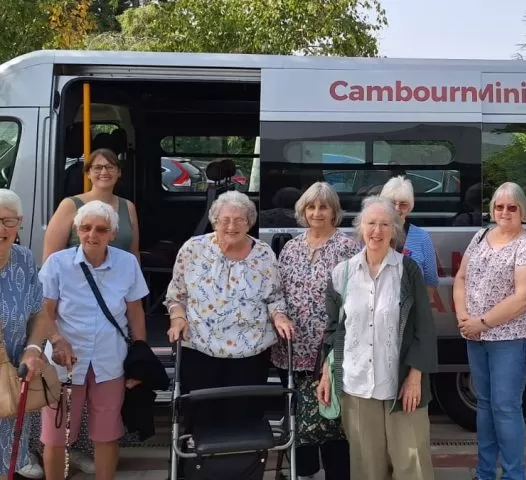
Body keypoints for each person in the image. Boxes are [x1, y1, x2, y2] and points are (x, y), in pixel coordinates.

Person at [29, 148, 141, 475]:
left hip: (109, 351)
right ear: (88, 171)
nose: (93, 234)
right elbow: (46, 293)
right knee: (56, 433)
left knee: (108, 431)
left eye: (111, 166)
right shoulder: (69, 213)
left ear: (119, 172)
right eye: (97, 166)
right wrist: (55, 338)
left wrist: (140, 351)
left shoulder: (128, 211)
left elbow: (133, 262)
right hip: (66, 353)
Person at [317, 196, 437, 480]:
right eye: (371, 223)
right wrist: (326, 372)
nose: (377, 231)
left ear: (394, 230)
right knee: (366, 466)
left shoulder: (408, 271)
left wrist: (415, 378)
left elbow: (424, 327)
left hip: (402, 383)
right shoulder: (342, 273)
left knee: (412, 463)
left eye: (385, 224)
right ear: (360, 228)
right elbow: (334, 329)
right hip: (356, 384)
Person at [164, 190, 294, 438]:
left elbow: (274, 298)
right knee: (201, 420)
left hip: (250, 353)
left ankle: (243, 470)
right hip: (200, 349)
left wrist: (280, 317)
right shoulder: (193, 249)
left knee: (244, 421)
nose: (231, 226)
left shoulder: (264, 254)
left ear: (250, 222)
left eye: (239, 220)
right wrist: (177, 318)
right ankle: (198, 471)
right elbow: (176, 296)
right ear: (215, 220)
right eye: (225, 220)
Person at [453, 181, 526, 480]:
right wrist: (465, 317)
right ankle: (484, 473)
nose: (504, 212)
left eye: (512, 207)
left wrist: (483, 322)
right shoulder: (480, 236)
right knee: (484, 405)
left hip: (510, 339)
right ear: (492, 209)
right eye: (499, 206)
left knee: (505, 407)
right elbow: (461, 278)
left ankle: (514, 475)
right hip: (476, 337)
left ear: (523, 211)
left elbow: (525, 297)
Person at [271, 182, 359, 480]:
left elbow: (356, 297)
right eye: (311, 207)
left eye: (324, 207)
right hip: (292, 349)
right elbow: (276, 292)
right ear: (302, 211)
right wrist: (280, 316)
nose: (317, 213)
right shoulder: (292, 247)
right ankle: (304, 473)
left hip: (332, 348)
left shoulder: (347, 247)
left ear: (335, 211)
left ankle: (338, 474)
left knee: (333, 417)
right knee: (298, 414)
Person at [0, 189, 58, 480]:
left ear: (19, 223)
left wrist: (34, 348)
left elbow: (38, 312)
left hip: (14, 377)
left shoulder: (23, 259)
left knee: (8, 463)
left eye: (8, 221)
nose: (1, 229)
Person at [379, 176, 438, 296]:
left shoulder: (422, 237)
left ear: (410, 207)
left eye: (403, 204)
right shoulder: (373, 234)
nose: (397, 208)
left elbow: (431, 282)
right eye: (391, 203)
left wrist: (420, 310)